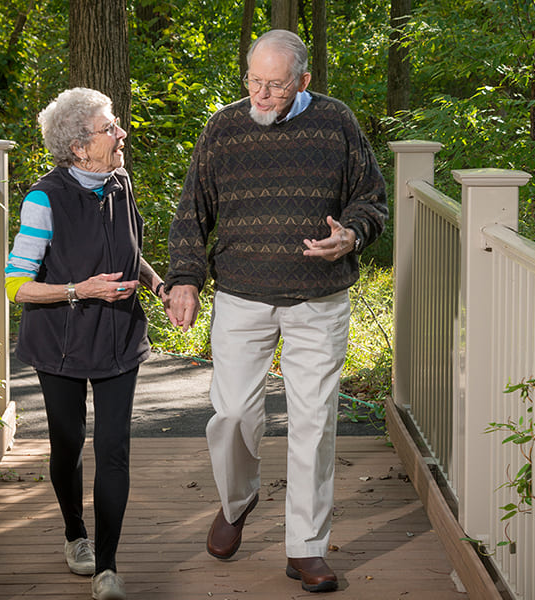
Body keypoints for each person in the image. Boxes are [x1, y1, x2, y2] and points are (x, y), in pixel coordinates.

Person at [164, 29, 388, 593]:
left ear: (304, 81)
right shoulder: (223, 127)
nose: (260, 95)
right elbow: (193, 210)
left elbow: (371, 198)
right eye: (253, 81)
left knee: (314, 425)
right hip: (241, 294)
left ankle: (305, 548)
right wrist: (186, 279)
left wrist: (352, 236)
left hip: (319, 299)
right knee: (233, 415)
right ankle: (237, 500)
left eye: (275, 85)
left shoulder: (337, 123)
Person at [5, 87, 170, 600]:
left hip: (119, 335)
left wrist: (160, 286)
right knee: (69, 443)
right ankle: (75, 534)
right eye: (109, 128)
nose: (121, 134)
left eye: (116, 124)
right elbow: (16, 284)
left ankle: (107, 566)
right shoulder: (43, 198)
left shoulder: (121, 182)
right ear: (78, 147)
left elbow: (130, 251)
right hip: (60, 342)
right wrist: (80, 290)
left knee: (114, 449)